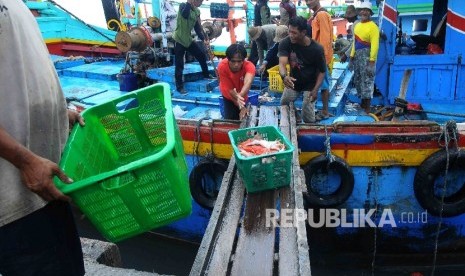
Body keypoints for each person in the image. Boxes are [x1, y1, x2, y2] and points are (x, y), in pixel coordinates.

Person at [0, 0, 85, 274]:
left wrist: (59, 114)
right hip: (16, 199)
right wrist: (25, 161)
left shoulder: (17, 5)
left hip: (45, 182)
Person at [278, 16, 326, 123]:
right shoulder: (285, 43)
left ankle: (310, 130)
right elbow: (282, 63)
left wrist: (316, 89)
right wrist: (284, 76)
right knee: (284, 102)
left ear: (303, 32)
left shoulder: (317, 49)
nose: (291, 35)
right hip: (294, 81)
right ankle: (297, 118)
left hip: (310, 84)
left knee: (307, 114)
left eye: (294, 33)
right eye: (289, 31)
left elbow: (322, 71)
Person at [173, 0, 214, 94]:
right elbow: (185, 15)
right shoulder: (183, 6)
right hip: (179, 39)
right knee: (179, 64)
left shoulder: (197, 12)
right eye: (199, 1)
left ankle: (206, 74)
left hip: (188, 39)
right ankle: (179, 87)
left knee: (201, 55)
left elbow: (198, 28)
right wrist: (188, 3)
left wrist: (204, 39)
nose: (201, 2)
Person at [349, 1, 379, 113]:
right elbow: (354, 43)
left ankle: (367, 108)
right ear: (359, 12)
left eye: (366, 10)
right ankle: (362, 104)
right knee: (358, 80)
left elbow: (375, 45)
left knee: (367, 81)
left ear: (370, 13)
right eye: (362, 10)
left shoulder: (373, 27)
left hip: (367, 58)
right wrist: (351, 58)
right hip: (357, 57)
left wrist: (372, 62)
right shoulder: (357, 26)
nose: (364, 12)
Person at [306, 0, 334, 120]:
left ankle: (325, 111)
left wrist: (321, 57)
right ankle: (324, 110)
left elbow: (324, 38)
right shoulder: (319, 14)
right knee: (322, 84)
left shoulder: (321, 15)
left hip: (319, 56)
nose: (308, 2)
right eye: (306, 0)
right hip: (318, 55)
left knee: (322, 84)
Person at [218, 44, 256, 120]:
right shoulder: (222, 66)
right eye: (233, 61)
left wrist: (240, 100)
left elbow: (248, 82)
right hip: (228, 95)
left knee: (245, 118)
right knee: (230, 119)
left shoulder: (250, 66)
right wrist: (240, 105)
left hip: (242, 95)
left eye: (239, 61)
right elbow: (230, 90)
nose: (236, 65)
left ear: (243, 60)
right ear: (228, 59)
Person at [249, 0, 271, 65]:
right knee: (269, 50)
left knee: (255, 52)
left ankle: (251, 67)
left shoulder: (257, 4)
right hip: (262, 32)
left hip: (257, 30)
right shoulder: (264, 6)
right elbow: (265, 21)